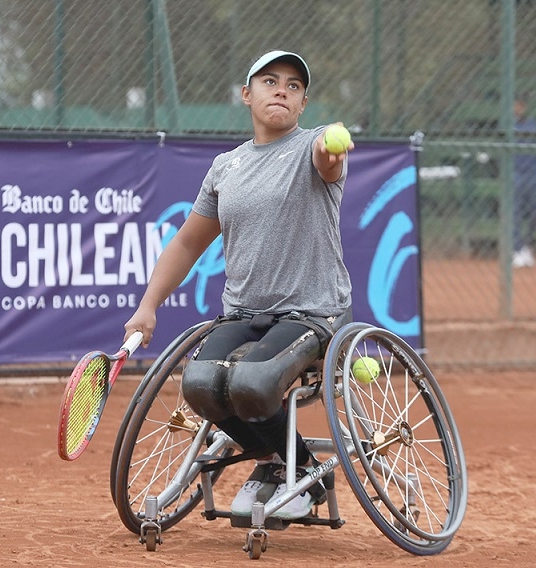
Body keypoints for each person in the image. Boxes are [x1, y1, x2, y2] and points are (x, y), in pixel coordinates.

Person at [123, 50, 355, 520]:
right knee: (201, 384)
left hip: (313, 313)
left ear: (303, 104)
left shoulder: (313, 147)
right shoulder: (226, 167)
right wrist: (148, 306)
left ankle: (303, 476)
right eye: (270, 82)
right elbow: (187, 243)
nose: (282, 92)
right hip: (243, 314)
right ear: (247, 95)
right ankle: (276, 462)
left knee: (251, 382)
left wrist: (332, 154)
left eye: (293, 87)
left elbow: (328, 164)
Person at [512, 96, 536, 268]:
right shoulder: (508, 125)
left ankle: (527, 246)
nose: (517, 108)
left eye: (520, 105)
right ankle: (517, 250)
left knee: (535, 210)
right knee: (515, 212)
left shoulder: (533, 124)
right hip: (515, 173)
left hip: (533, 172)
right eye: (514, 105)